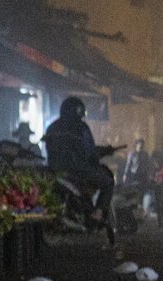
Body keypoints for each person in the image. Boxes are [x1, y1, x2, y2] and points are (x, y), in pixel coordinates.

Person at [43, 96, 116, 238]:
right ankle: (98, 213)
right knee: (108, 182)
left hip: (55, 170)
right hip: (80, 170)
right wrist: (100, 154)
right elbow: (90, 152)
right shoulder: (81, 128)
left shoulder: (51, 127)